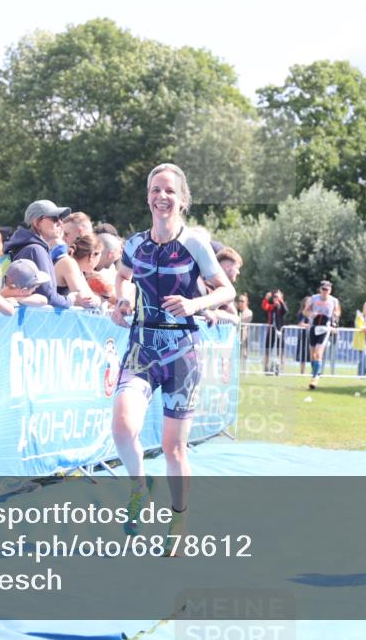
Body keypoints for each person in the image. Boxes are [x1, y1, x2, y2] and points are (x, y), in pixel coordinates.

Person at [110, 164, 234, 556]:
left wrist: (194, 303)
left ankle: (178, 518)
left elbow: (225, 290)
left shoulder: (194, 244)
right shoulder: (134, 244)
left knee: (172, 448)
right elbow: (123, 276)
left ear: (182, 199)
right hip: (142, 346)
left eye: (169, 191)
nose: (161, 196)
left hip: (182, 351)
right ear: (148, 196)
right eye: (155, 190)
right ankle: (139, 487)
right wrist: (123, 299)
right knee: (122, 425)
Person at [3, 199, 77, 309]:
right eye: (54, 218)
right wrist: (70, 301)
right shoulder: (36, 250)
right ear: (37, 222)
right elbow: (47, 296)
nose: (60, 223)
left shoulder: (29, 246)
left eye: (60, 218)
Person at [303, 280, 341, 390]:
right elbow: (305, 311)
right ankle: (314, 373)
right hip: (313, 327)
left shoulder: (334, 300)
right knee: (312, 355)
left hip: (325, 329)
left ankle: (315, 378)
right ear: (320, 289)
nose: (325, 292)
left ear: (330, 290)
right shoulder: (313, 298)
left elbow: (338, 312)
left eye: (327, 290)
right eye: (323, 289)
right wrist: (311, 314)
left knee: (318, 353)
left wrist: (335, 315)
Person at [54, 233, 103, 308]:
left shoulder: (77, 268)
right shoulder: (69, 262)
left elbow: (90, 297)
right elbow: (83, 299)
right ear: (92, 255)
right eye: (100, 257)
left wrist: (97, 300)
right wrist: (97, 301)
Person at [261, 289, 288, 374]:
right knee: (267, 349)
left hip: (280, 330)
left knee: (281, 350)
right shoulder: (271, 306)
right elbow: (264, 306)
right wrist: (266, 298)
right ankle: (266, 369)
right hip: (271, 330)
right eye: (274, 297)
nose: (275, 298)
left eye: (277, 296)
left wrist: (280, 301)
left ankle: (281, 369)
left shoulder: (282, 306)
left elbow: (285, 310)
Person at [353, 301, 366, 377]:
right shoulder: (359, 317)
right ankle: (360, 374)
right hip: (361, 341)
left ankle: (362, 374)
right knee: (363, 358)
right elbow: (360, 327)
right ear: (363, 308)